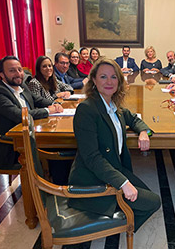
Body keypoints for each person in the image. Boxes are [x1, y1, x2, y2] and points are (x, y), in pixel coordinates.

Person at [68, 58, 161, 232]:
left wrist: (144, 132)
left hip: (114, 168)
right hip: (93, 177)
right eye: (103, 77)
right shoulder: (87, 109)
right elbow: (92, 158)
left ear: (119, 81)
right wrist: (123, 183)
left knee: (149, 200)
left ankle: (121, 223)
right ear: (94, 80)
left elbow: (134, 119)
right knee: (153, 202)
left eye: (113, 77)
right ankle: (114, 229)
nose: (109, 82)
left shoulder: (113, 106)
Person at [0, 56, 63, 169]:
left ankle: (55, 182)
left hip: (29, 136)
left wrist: (56, 104)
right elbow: (19, 115)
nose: (18, 73)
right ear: (1, 74)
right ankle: (42, 184)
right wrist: (47, 110)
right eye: (12, 71)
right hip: (11, 147)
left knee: (60, 146)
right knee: (55, 149)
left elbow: (38, 100)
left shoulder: (21, 85)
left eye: (19, 70)